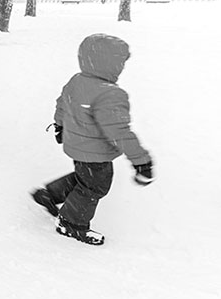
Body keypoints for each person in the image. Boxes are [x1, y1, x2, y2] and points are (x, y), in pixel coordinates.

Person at [31, 34, 153, 246]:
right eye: (120, 63)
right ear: (109, 63)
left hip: (76, 145)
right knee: (95, 186)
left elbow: (62, 104)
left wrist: (59, 126)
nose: (122, 68)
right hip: (95, 152)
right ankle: (71, 223)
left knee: (85, 178)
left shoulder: (77, 80)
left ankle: (49, 194)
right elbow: (120, 132)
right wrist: (140, 160)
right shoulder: (111, 94)